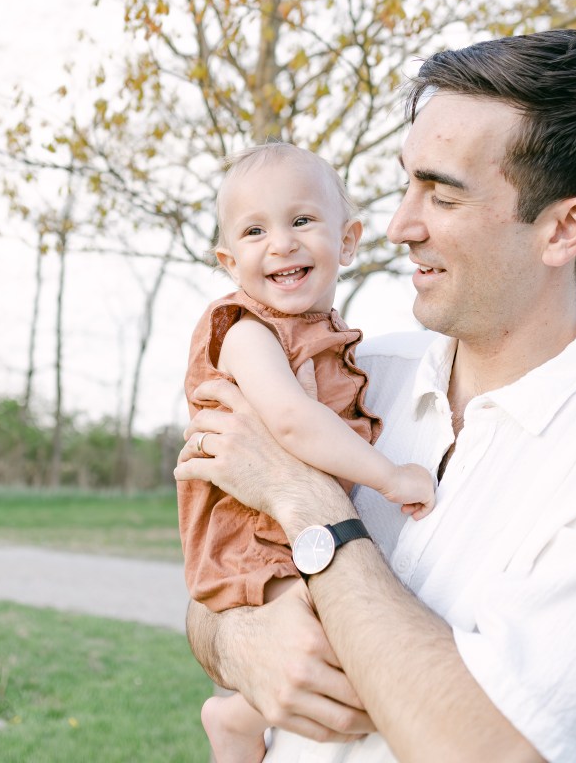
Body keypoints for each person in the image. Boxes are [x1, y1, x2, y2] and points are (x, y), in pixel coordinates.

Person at [175, 29, 576, 763]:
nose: (398, 226)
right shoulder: (355, 370)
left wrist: (311, 505)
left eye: (441, 194)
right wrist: (238, 641)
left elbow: (496, 752)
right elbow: (211, 595)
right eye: (404, 183)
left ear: (563, 228)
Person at [177, 143, 435, 763]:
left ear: (347, 242)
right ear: (229, 259)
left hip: (287, 526)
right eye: (255, 230)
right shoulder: (245, 333)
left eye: (301, 221)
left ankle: (240, 716)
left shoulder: (330, 335)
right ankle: (234, 723)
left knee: (332, 632)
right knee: (312, 639)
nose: (282, 244)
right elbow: (292, 422)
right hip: (252, 531)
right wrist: (389, 475)